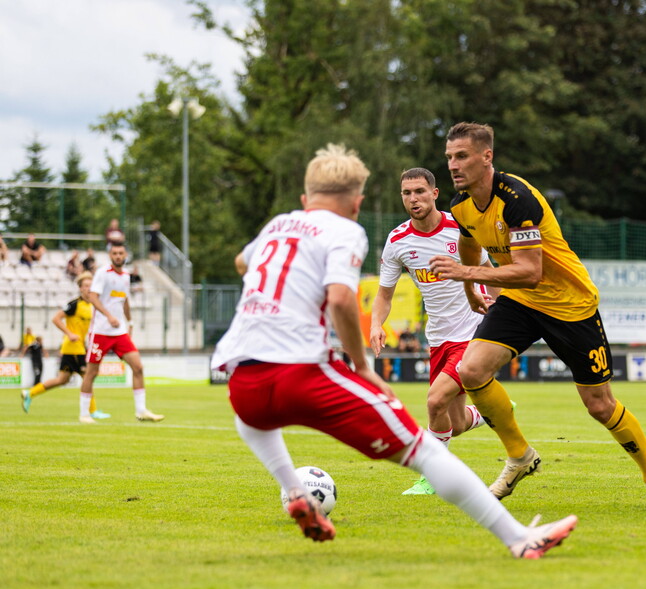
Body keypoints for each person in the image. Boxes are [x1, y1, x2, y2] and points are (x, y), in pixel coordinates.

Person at [210, 143, 576, 557]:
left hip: (241, 378)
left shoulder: (278, 225)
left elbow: (243, 264)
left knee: (255, 422)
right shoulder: (349, 230)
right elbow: (343, 300)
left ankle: (295, 491)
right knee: (423, 450)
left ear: (303, 199)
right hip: (301, 372)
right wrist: (363, 366)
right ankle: (520, 539)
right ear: (356, 202)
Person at [430, 122, 646, 510]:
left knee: (600, 405)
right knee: (472, 370)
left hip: (569, 305)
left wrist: (468, 275)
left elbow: (531, 271)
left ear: (487, 157)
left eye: (462, 156)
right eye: (449, 157)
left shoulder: (517, 198)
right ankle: (520, 456)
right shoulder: (461, 204)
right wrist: (470, 291)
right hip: (522, 301)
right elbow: (468, 242)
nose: (453, 165)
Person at [370, 167, 493, 496]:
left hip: (472, 331)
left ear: (434, 194)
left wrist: (499, 307)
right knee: (457, 422)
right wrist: (375, 324)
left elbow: (488, 271)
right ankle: (492, 411)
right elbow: (384, 294)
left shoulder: (460, 228)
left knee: (435, 401)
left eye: (420, 192)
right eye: (407, 193)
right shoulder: (397, 241)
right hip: (438, 338)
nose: (414, 199)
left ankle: (433, 477)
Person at [79, 242, 163, 424]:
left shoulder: (126, 276)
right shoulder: (103, 273)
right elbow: (93, 297)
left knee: (138, 367)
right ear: (110, 255)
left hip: (119, 332)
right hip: (101, 331)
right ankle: (84, 413)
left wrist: (130, 322)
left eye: (121, 253)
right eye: (115, 253)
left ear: (125, 255)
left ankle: (141, 411)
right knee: (92, 372)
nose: (118, 256)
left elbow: (124, 301)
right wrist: (109, 316)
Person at [21, 272, 110, 419]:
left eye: (91, 286)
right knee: (88, 375)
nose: (89, 288)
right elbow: (56, 318)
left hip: (76, 347)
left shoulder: (92, 306)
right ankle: (92, 410)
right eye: (86, 286)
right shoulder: (74, 304)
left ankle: (30, 393)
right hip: (74, 347)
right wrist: (69, 333)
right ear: (80, 288)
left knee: (62, 380)